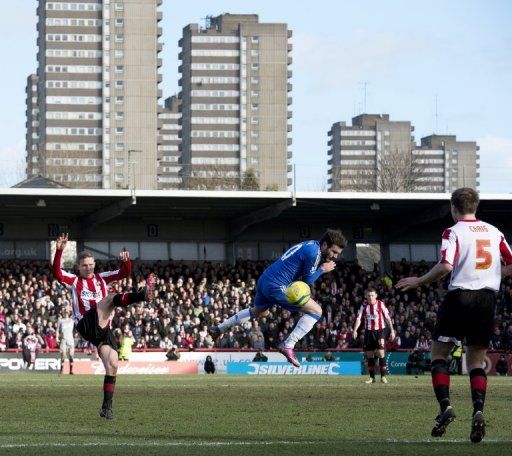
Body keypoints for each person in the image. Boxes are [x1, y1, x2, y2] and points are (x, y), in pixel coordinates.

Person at [396, 188, 512, 443]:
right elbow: (510, 262)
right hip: (486, 299)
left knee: (439, 355)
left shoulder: (453, 231)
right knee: (475, 362)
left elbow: (446, 265)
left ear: (453, 207)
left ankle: (445, 407)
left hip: (459, 297)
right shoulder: (495, 232)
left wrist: (419, 281)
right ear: (476, 206)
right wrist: (492, 275)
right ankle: (478, 410)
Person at [52, 233, 156, 419]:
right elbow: (57, 273)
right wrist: (59, 250)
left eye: (91, 264)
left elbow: (124, 273)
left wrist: (126, 262)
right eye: (85, 265)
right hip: (86, 323)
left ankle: (106, 409)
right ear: (78, 267)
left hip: (102, 329)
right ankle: (142, 295)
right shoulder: (74, 281)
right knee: (110, 298)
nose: (89, 268)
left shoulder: (101, 278)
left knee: (113, 363)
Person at [210, 229, 346, 368]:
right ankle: (288, 344)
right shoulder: (314, 253)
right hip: (277, 285)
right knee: (317, 311)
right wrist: (322, 269)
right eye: (334, 252)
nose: (335, 256)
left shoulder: (310, 244)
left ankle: (219, 329)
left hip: (265, 279)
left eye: (337, 254)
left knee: (259, 311)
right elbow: (307, 280)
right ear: (325, 245)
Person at [352, 288, 395, 384]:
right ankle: (372, 378)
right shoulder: (364, 305)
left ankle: (383, 377)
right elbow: (359, 318)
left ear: (376, 295)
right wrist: (355, 330)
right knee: (370, 355)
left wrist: (392, 330)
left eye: (372, 295)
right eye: (369, 295)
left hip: (379, 331)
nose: (370, 297)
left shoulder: (380, 304)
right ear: (366, 296)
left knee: (380, 353)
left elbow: (387, 318)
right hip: (368, 332)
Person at [56, 307, 75, 374]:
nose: (66, 313)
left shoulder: (72, 320)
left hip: (70, 339)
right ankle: (61, 370)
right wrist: (57, 337)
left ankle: (71, 370)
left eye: (67, 312)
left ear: (69, 313)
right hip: (63, 340)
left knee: (71, 355)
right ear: (63, 312)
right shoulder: (60, 320)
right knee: (63, 355)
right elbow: (57, 330)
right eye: (65, 312)